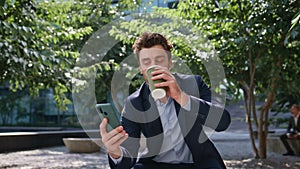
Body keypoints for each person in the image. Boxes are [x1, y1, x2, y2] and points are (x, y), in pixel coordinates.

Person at [100, 32, 231, 169]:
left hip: (198, 163)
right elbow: (128, 156)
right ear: (140, 68)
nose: (153, 67)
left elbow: (223, 122)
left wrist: (182, 97)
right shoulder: (134, 103)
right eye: (146, 62)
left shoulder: (194, 84)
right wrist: (115, 152)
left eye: (159, 60)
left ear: (170, 63)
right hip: (156, 165)